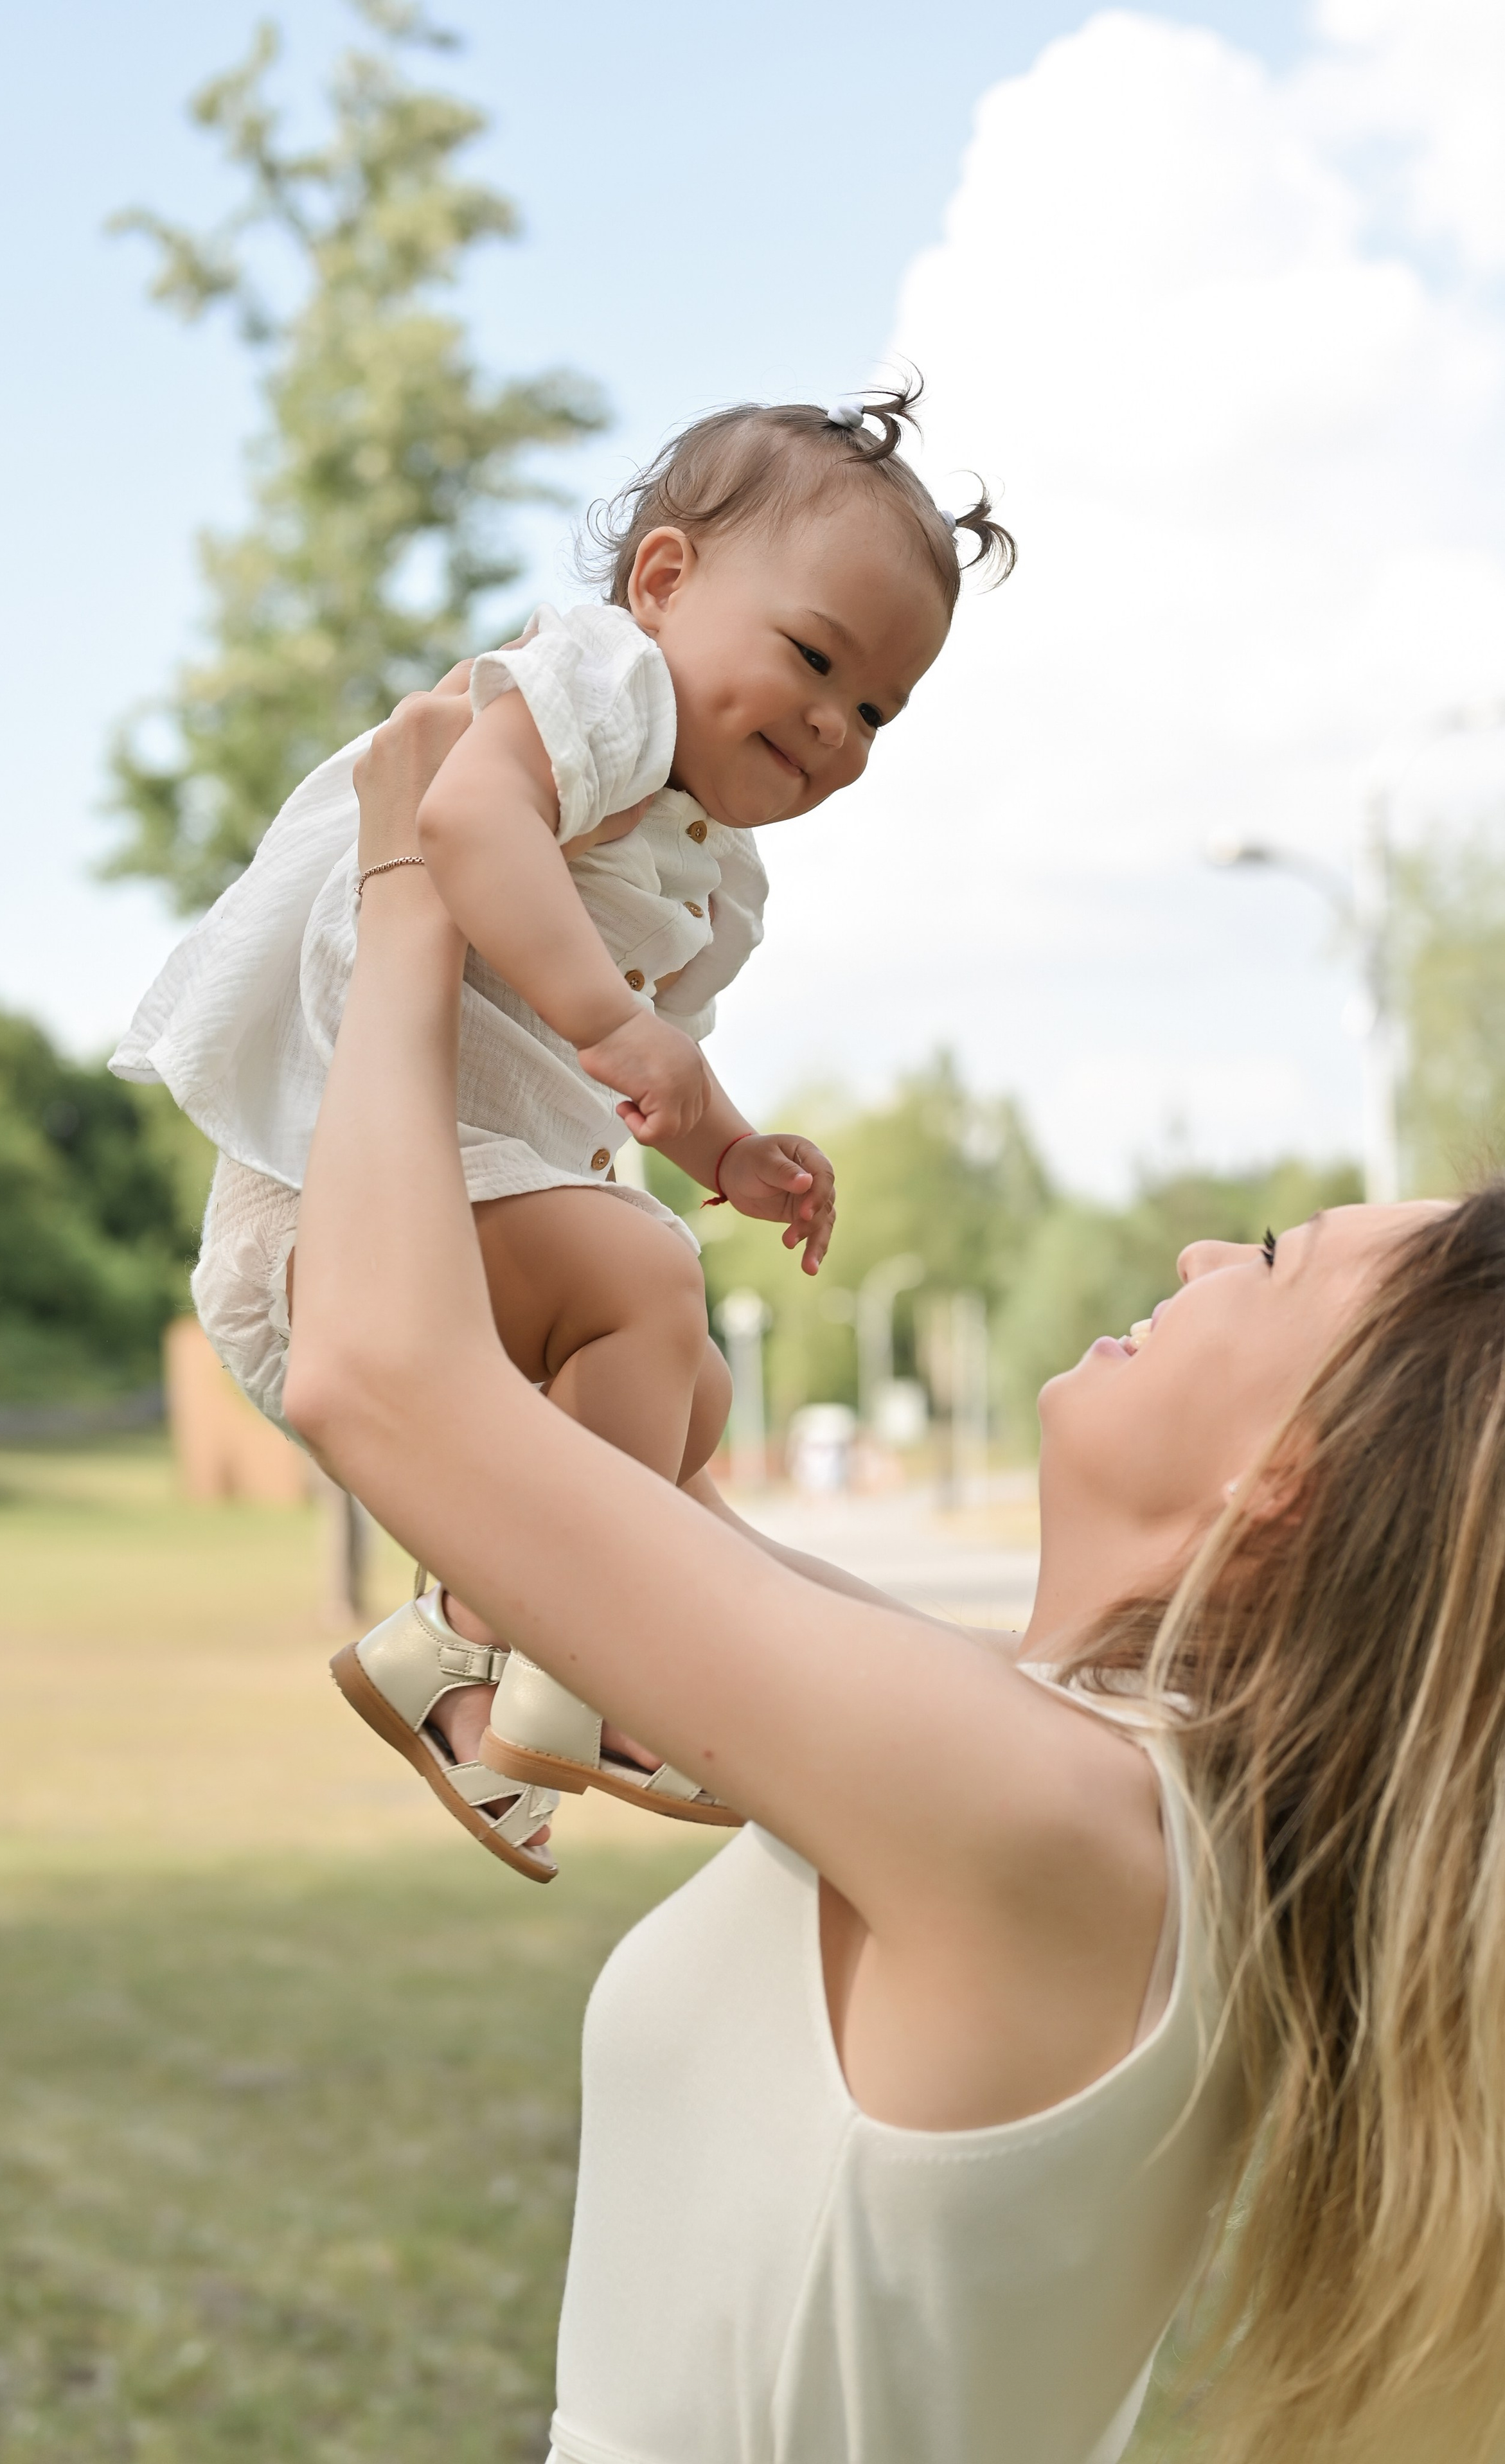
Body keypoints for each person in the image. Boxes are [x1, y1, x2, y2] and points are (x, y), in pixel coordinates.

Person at [283, 685, 1505, 2463]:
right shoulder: (1071, 1781)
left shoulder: (1062, 1829)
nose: (1191, 1247)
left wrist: (407, 884)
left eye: (1263, 1255)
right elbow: (617, 1495)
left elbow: (381, 1379)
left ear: (1283, 1480)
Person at [113, 384, 1013, 1875]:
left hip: (470, 1221)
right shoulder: (602, 687)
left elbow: (630, 1079)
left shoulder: (712, 878)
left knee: (694, 1403)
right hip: (327, 1218)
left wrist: (722, 1146)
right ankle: (531, 1638)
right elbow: (465, 827)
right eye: (809, 657)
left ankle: (462, 1650)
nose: (830, 725)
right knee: (648, 1290)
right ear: (662, 583)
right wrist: (608, 1016)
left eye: (873, 709)